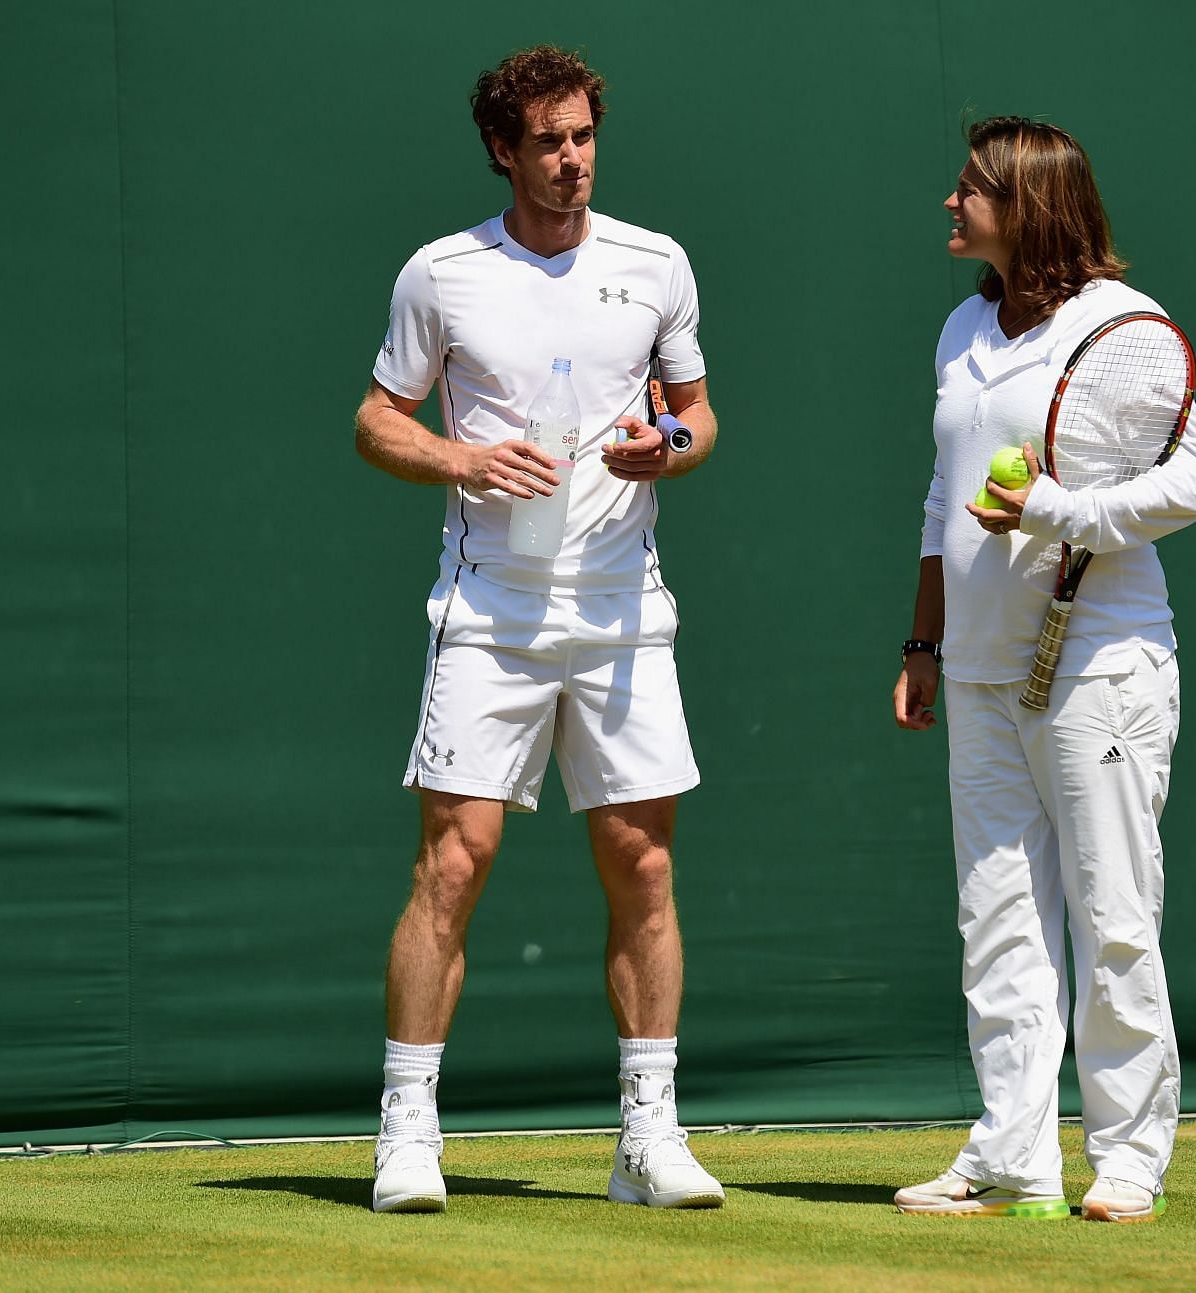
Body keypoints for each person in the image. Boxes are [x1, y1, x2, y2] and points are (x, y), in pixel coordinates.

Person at [353, 45, 723, 1214]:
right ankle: (408, 1137)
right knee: (453, 862)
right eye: (548, 142)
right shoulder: (441, 275)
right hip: (489, 617)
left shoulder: (656, 264)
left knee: (643, 865)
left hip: (622, 614)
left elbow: (698, 418)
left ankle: (647, 1142)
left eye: (584, 137)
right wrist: (461, 457)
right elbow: (375, 420)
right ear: (503, 152)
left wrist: (663, 447)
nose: (572, 160)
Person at [889, 117, 1196, 1223]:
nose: (950, 202)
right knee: (998, 921)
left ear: (1027, 203)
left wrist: (1058, 510)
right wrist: (925, 642)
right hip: (980, 670)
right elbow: (943, 504)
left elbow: (1192, 486)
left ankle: (1128, 1158)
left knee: (1114, 915)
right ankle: (1012, 1152)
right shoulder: (959, 330)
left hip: (1104, 667)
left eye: (970, 188)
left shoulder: (1122, 327)